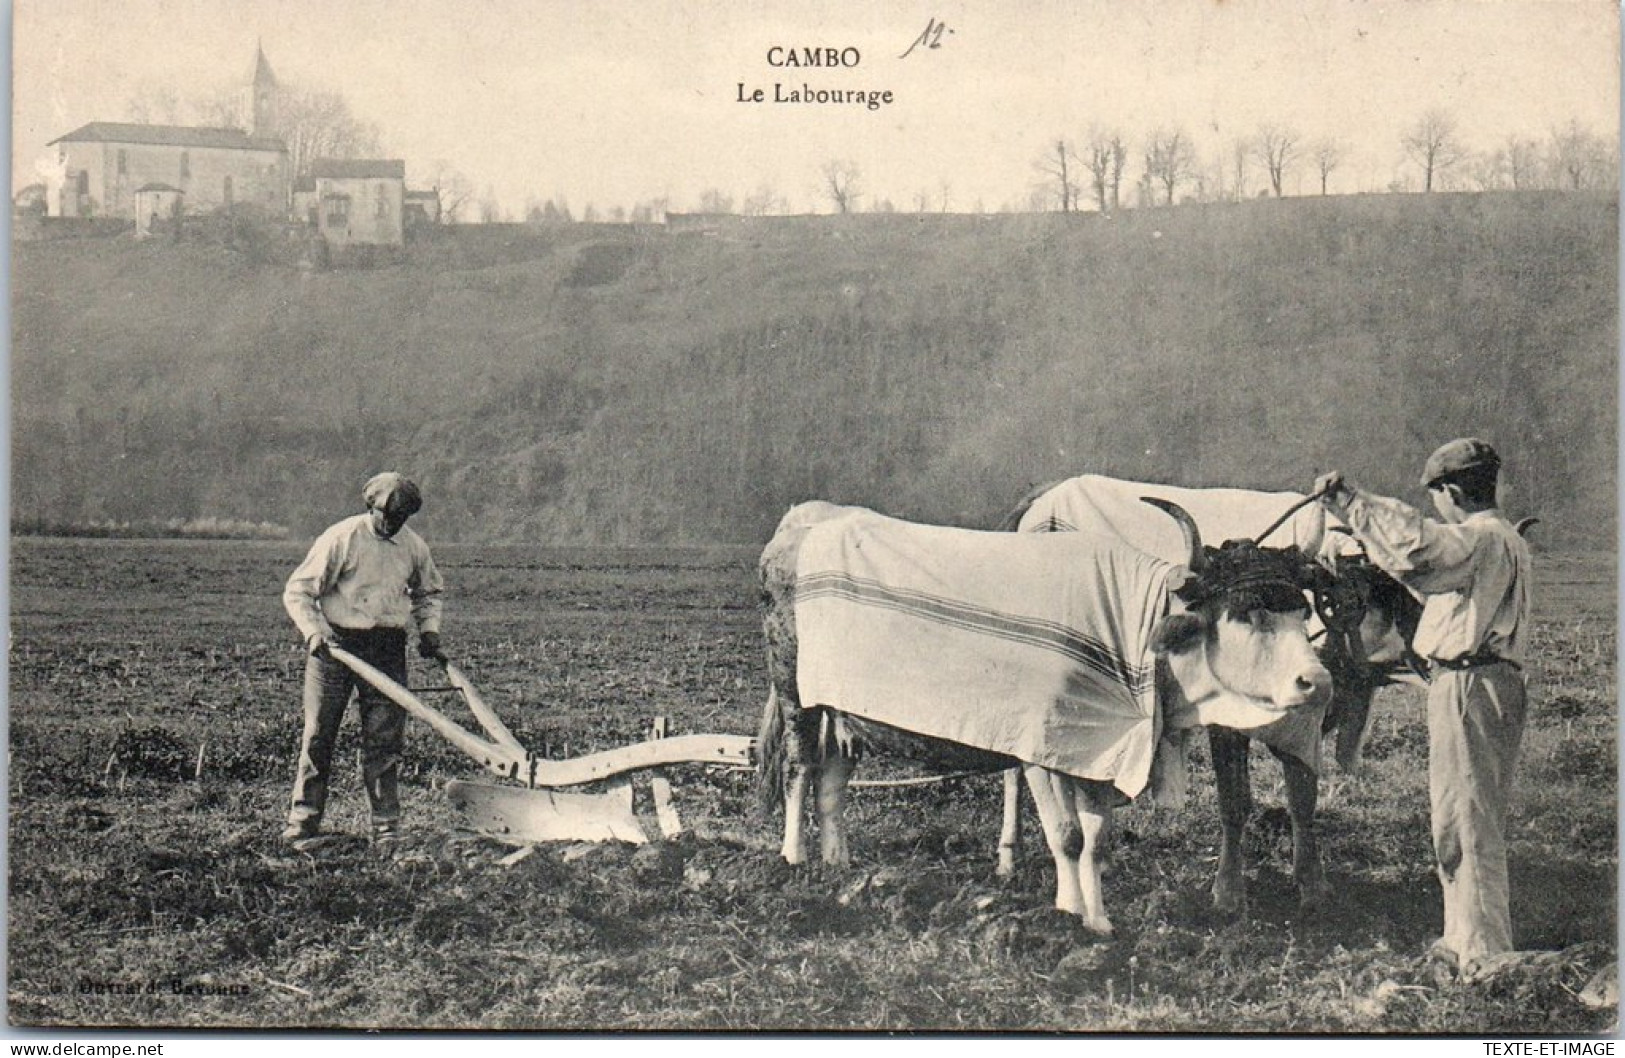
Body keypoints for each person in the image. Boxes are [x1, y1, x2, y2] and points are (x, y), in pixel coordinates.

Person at [1313, 439, 1532, 981]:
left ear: (1451, 492)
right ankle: (1462, 938)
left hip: (1468, 683)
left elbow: (1418, 550)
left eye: (1437, 497)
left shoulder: (1477, 539)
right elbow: (1435, 583)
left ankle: (1483, 954)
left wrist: (1352, 504)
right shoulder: (1504, 540)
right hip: (1488, 682)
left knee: (1467, 818)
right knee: (1464, 816)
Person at [281, 472, 447, 846]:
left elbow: (429, 591)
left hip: (387, 648)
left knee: (385, 742)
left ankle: (386, 827)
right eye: (386, 515)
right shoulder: (342, 538)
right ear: (371, 507)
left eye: (400, 518)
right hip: (336, 647)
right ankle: (303, 820)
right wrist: (314, 632)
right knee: (319, 736)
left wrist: (429, 631)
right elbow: (299, 591)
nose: (391, 524)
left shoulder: (413, 547)